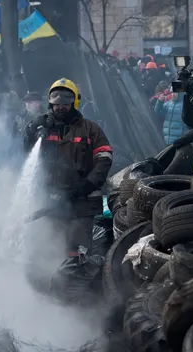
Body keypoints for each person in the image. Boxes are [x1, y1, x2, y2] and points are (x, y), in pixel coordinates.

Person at [24, 78, 113, 261]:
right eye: (56, 104)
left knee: (76, 251)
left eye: (65, 103)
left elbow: (104, 159)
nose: (60, 107)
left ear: (74, 102)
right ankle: (48, 285)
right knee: (50, 247)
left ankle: (75, 286)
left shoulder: (90, 129)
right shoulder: (44, 129)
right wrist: (32, 128)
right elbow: (26, 151)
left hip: (83, 202)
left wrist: (87, 185)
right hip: (52, 201)